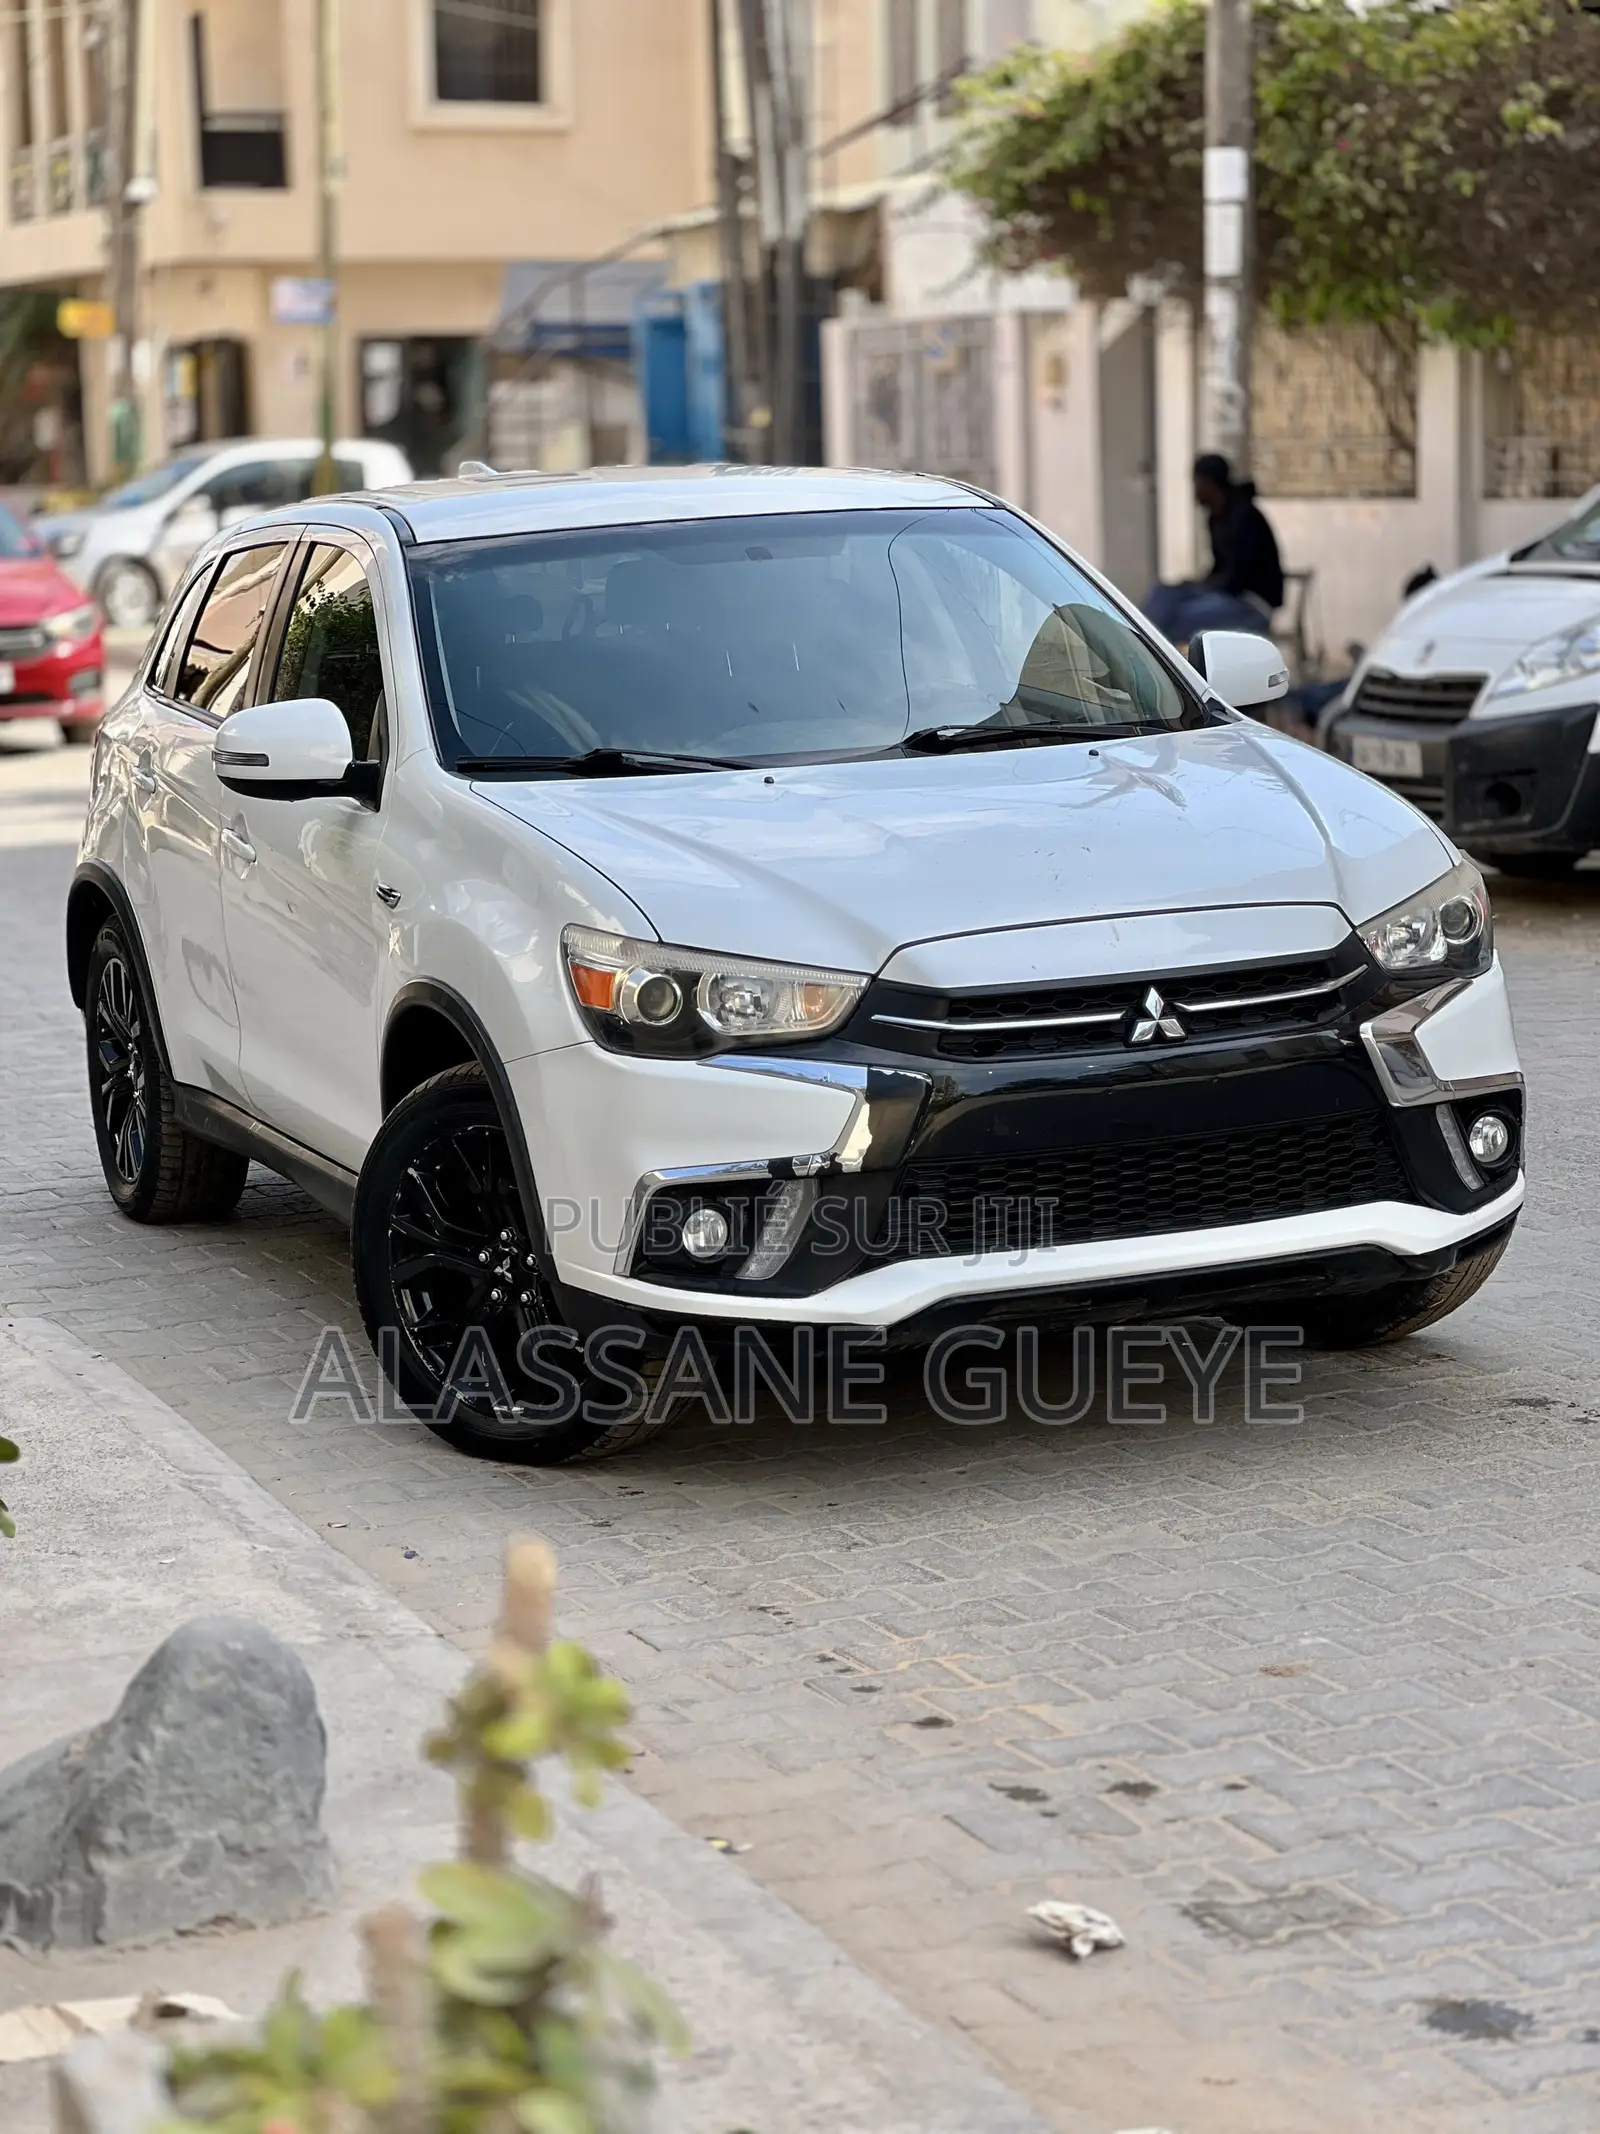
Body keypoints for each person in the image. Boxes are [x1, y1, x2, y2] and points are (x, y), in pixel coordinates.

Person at [1145, 453, 1285, 647]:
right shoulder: (1216, 518)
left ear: (1210, 484)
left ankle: (1151, 652)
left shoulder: (1245, 517)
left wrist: (1204, 587)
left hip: (1252, 604)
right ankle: (1141, 638)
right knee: (1164, 592)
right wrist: (1195, 585)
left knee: (1181, 619)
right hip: (1227, 594)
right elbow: (1221, 567)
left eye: (1197, 483)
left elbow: (1238, 578)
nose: (1194, 491)